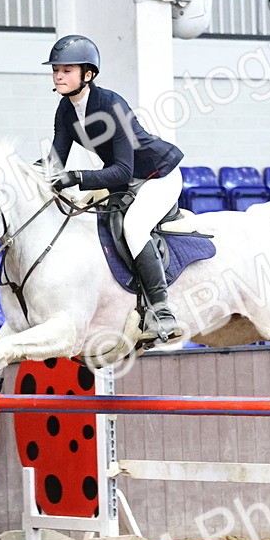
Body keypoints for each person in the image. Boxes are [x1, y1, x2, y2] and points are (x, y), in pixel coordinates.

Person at [42, 34, 185, 345]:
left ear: (88, 74)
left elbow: (122, 168)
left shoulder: (111, 104)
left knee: (133, 228)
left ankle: (161, 309)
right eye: (56, 70)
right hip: (123, 182)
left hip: (157, 175)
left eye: (66, 70)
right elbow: (55, 163)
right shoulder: (65, 111)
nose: (58, 75)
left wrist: (76, 176)